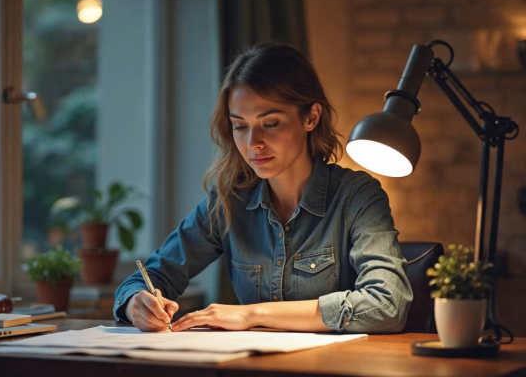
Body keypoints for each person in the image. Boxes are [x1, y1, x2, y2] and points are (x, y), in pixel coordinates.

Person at [113, 43, 413, 333]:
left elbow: (388, 304)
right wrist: (135, 304)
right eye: (240, 126)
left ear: (311, 117)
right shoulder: (229, 201)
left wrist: (252, 314)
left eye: (270, 123)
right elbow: (150, 276)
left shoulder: (357, 196)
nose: (253, 143)